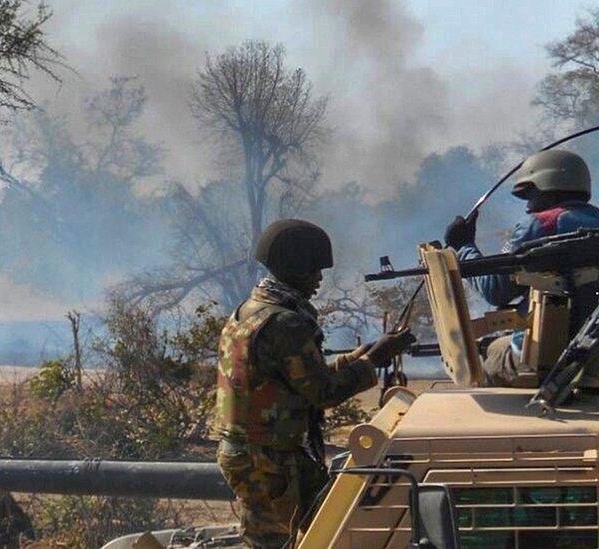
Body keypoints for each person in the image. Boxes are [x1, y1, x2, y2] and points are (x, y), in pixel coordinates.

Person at [212, 219, 415, 548]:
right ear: (294, 269)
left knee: (325, 525)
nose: (319, 280)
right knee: (284, 540)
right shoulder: (287, 322)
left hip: (254, 454)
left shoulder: (251, 310)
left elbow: (296, 378)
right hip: (268, 460)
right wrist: (373, 361)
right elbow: (321, 392)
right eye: (313, 272)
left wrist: (354, 359)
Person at [445, 149, 599, 386]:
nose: (528, 207)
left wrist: (463, 247)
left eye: (531, 196)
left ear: (547, 187)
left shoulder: (540, 224)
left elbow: (495, 290)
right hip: (594, 359)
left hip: (550, 358)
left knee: (492, 355)